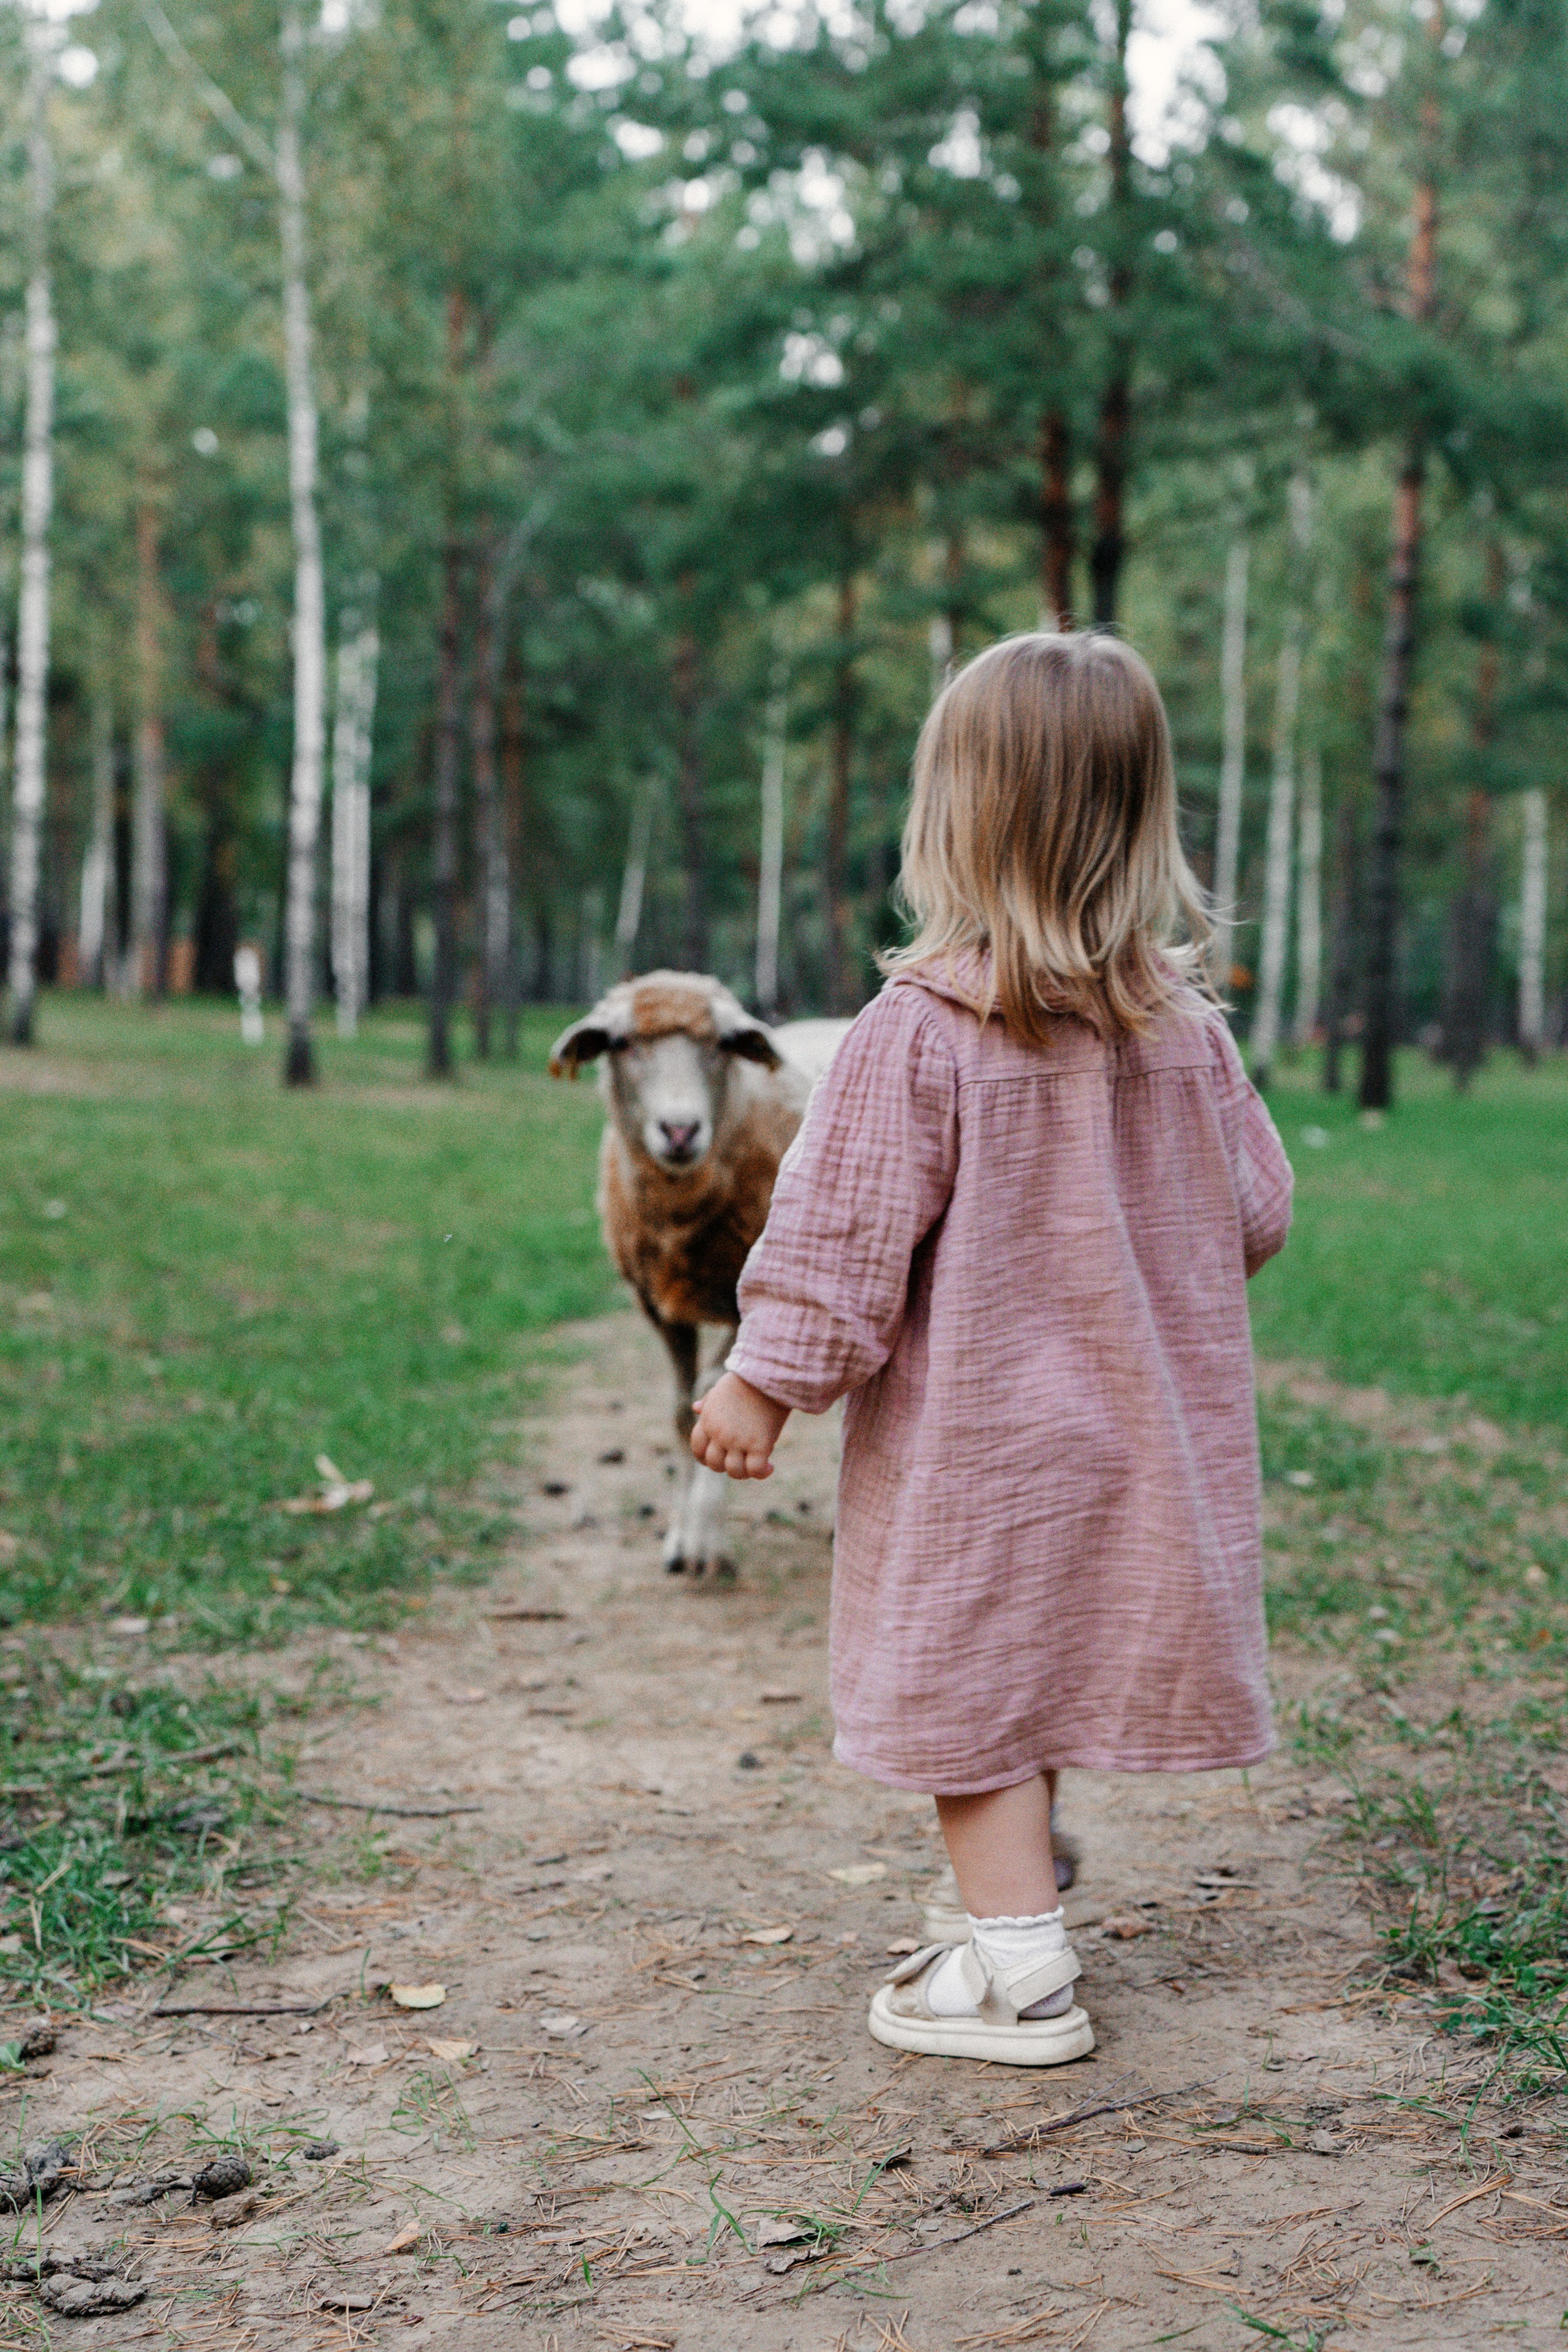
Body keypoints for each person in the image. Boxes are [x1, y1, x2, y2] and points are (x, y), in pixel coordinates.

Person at [691, 630, 1294, 2067]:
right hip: (1132, 1440)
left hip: (980, 1449)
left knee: (967, 1680)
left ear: (953, 816)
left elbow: (839, 1243)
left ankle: (1017, 1973)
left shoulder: (920, 1031)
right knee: (1044, 1660)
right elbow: (1256, 1211)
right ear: (1139, 822)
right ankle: (1006, 1905)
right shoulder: (1185, 1035)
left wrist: (761, 1383)